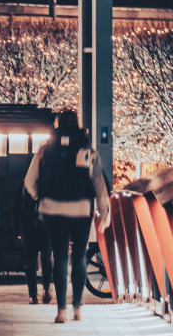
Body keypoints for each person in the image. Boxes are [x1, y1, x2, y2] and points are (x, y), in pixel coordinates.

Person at [24, 110, 110, 324]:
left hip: (52, 209)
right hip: (81, 209)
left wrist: (38, 196)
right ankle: (77, 308)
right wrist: (103, 211)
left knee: (60, 256)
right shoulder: (87, 151)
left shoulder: (45, 150)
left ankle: (61, 310)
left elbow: (29, 180)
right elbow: (99, 184)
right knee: (79, 256)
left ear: (57, 125)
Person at [13, 184, 53, 305]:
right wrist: (17, 229)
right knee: (30, 262)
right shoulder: (24, 185)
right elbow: (16, 208)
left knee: (46, 259)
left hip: (45, 227)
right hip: (29, 227)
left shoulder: (47, 182)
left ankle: (46, 289)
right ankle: (33, 295)